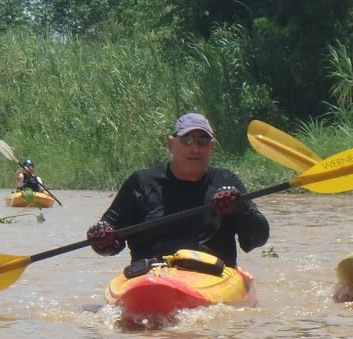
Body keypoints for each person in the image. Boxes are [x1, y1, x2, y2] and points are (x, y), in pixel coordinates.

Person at [86, 112, 270, 268]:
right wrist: (102, 239)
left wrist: (239, 208)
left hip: (213, 275)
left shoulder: (226, 182)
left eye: (202, 141)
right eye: (187, 140)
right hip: (151, 277)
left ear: (211, 147)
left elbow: (258, 238)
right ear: (171, 144)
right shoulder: (141, 183)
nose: (195, 148)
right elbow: (109, 245)